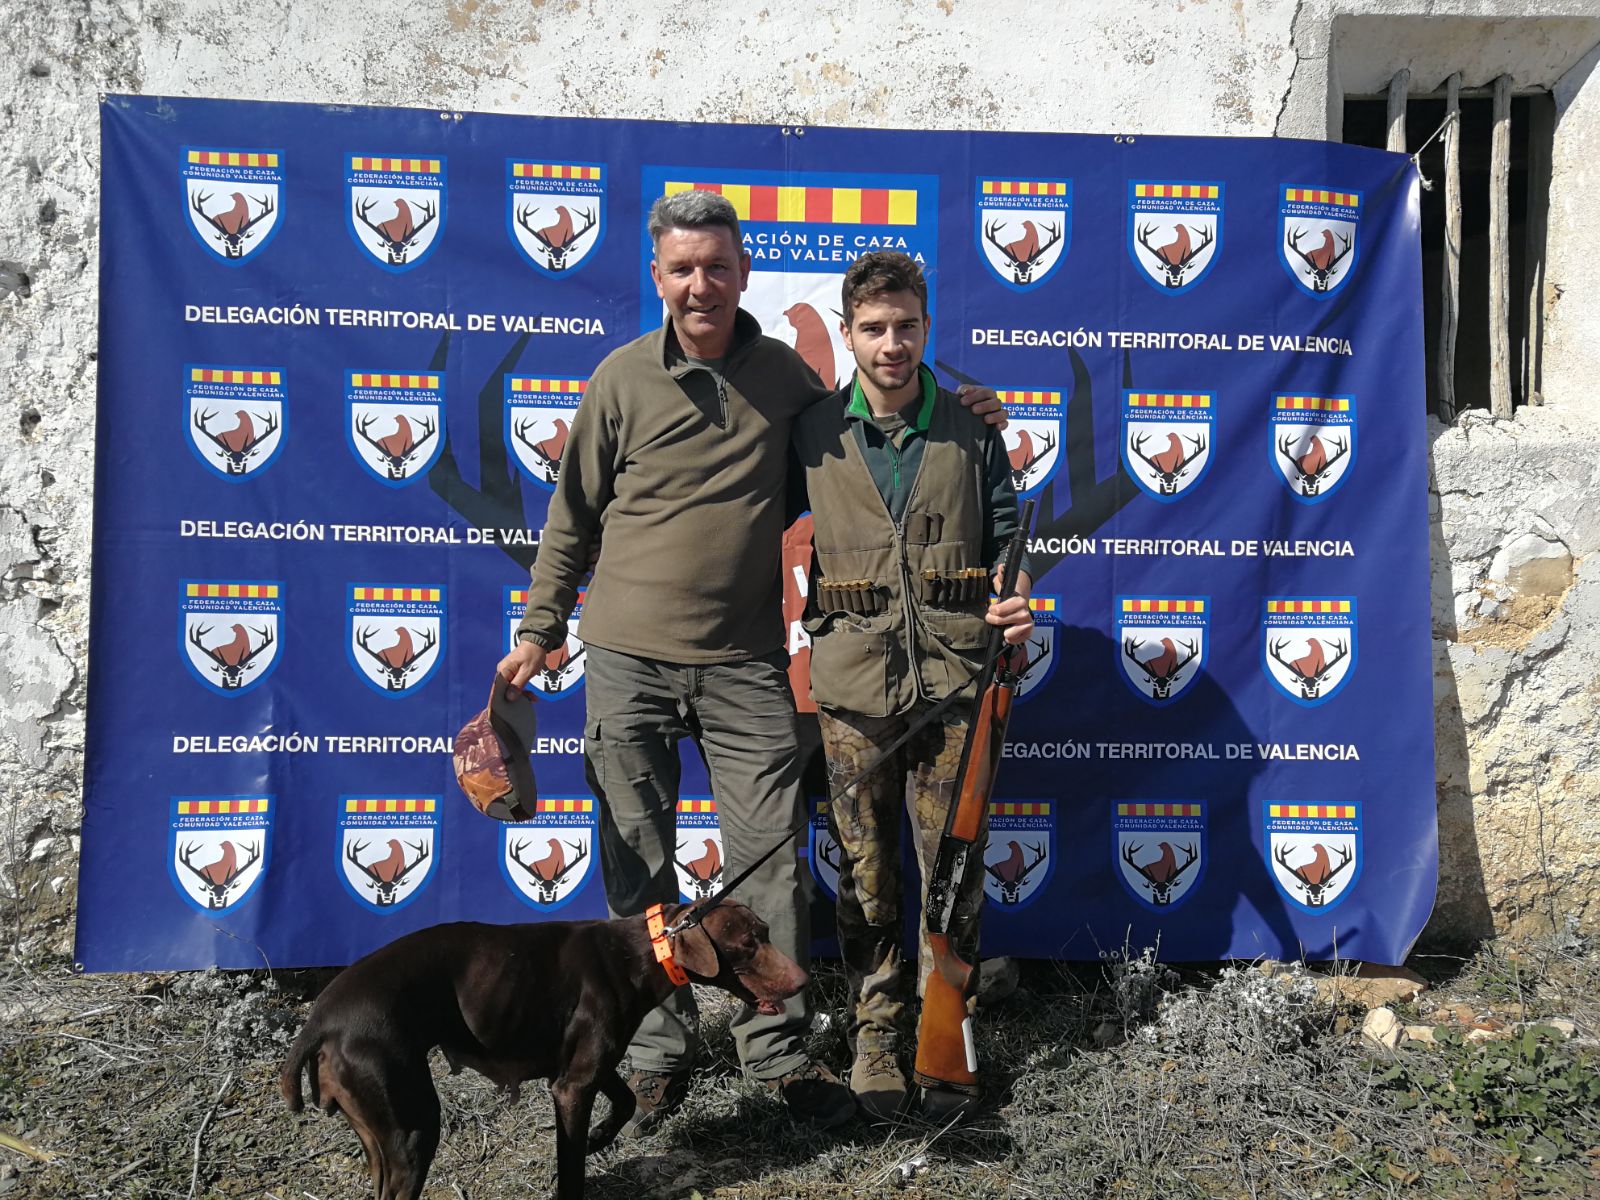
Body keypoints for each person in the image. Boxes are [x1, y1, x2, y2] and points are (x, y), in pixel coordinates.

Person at [497, 191, 1005, 1134]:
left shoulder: (785, 379)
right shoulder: (618, 380)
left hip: (744, 664)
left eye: (718, 267)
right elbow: (571, 519)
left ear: (743, 274)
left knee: (768, 865)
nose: (701, 285)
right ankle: (652, 1052)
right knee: (638, 864)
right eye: (683, 268)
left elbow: (876, 423)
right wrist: (539, 628)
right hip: (627, 659)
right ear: (657, 275)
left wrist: (969, 410)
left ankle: (775, 1054)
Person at [790, 250, 1034, 1125]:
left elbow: (1005, 537)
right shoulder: (811, 432)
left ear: (927, 328)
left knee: (952, 877)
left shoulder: (974, 428)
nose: (891, 344)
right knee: (865, 879)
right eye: (873, 329)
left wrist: (1014, 593)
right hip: (854, 692)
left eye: (906, 326)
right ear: (847, 333)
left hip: (957, 687)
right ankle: (876, 1038)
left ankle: (945, 1036)